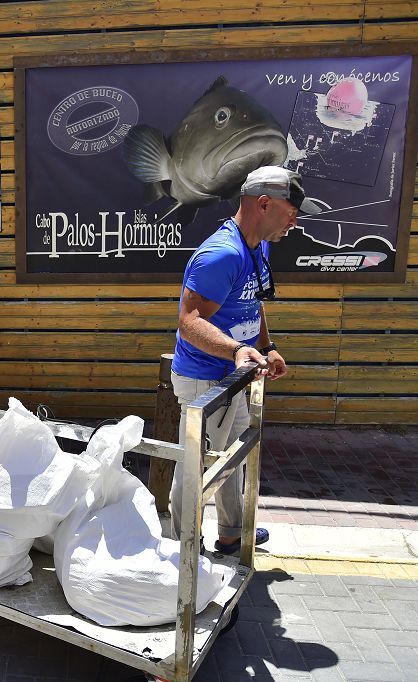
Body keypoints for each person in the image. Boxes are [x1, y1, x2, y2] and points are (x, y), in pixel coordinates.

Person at [170, 166, 319, 554]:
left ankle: (232, 533)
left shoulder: (257, 245)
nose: (295, 221)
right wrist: (237, 351)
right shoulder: (222, 254)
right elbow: (190, 322)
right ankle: (182, 545)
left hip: (236, 375)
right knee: (197, 465)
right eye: (291, 211)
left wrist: (266, 347)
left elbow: (252, 302)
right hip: (207, 380)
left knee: (232, 455)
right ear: (264, 204)